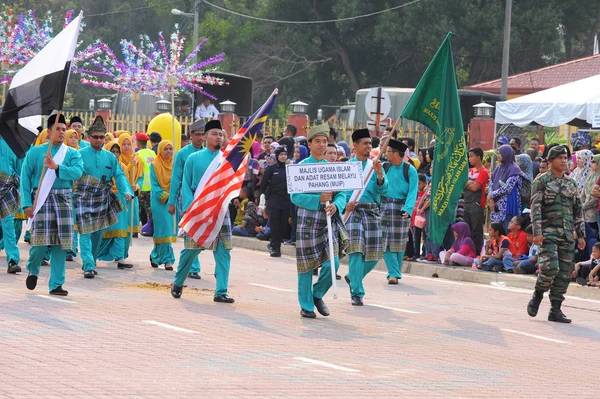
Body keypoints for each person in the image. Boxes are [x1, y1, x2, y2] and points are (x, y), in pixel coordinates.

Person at [171, 121, 234, 303]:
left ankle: (221, 291)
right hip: (198, 211)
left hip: (221, 212)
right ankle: (178, 283)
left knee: (224, 251)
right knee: (191, 251)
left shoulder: (226, 160)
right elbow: (186, 185)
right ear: (205, 137)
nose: (218, 137)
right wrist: (192, 208)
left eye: (221, 134)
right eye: (214, 134)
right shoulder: (193, 159)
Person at [21, 113, 83, 296]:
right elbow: (25, 179)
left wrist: (57, 168)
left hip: (63, 200)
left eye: (64, 129)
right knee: (39, 244)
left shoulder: (72, 153)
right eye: (58, 129)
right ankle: (33, 268)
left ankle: (56, 283)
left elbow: (77, 172)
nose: (62, 133)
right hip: (41, 200)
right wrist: (26, 204)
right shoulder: (35, 152)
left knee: (60, 245)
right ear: (49, 131)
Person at [290, 123, 349, 318]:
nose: (322, 145)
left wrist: (336, 205)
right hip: (307, 220)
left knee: (334, 264)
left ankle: (317, 294)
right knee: (306, 265)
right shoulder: (300, 168)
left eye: (325, 142)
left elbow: (342, 193)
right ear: (309, 143)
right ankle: (306, 305)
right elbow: (295, 197)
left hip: (328, 221)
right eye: (318, 142)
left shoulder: (332, 168)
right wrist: (318, 199)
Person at [527, 145, 585, 324]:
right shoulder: (541, 181)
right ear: (550, 161)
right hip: (547, 233)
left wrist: (580, 234)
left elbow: (577, 210)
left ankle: (555, 309)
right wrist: (537, 232)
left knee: (565, 273)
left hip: (567, 234)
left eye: (565, 157)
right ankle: (538, 294)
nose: (564, 160)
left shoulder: (571, 183)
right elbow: (535, 207)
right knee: (550, 268)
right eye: (559, 157)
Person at [74, 117, 133, 278]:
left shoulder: (110, 157)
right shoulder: (79, 154)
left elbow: (119, 175)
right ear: (88, 137)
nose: (99, 140)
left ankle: (91, 262)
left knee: (97, 233)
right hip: (84, 198)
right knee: (85, 231)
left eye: (101, 137)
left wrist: (126, 190)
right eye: (95, 137)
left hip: (102, 198)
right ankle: (87, 265)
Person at [343, 129, 387, 306]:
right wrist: (345, 204)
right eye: (365, 143)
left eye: (370, 143)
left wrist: (379, 175)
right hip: (353, 212)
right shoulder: (347, 166)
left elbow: (385, 190)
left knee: (375, 254)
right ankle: (357, 292)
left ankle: (352, 277)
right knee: (356, 250)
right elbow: (341, 190)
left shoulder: (375, 165)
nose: (369, 146)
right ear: (355, 146)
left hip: (371, 212)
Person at [167, 119, 205, 279]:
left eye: (203, 134)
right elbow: (176, 177)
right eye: (197, 135)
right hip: (187, 196)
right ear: (191, 135)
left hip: (205, 198)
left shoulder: (209, 153)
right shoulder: (183, 154)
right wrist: (171, 200)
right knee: (190, 230)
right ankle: (193, 266)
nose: (200, 138)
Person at [381, 139, 418, 284]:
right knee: (386, 241)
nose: (386, 154)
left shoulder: (410, 170)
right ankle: (393, 273)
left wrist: (408, 209)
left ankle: (394, 272)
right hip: (385, 206)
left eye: (389, 151)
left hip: (401, 208)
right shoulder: (384, 167)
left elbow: (412, 191)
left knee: (400, 242)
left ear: (396, 154)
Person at [149, 140, 176, 270]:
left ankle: (159, 256)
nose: (169, 151)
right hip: (158, 200)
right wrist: (165, 195)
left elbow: (177, 182)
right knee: (161, 229)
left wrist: (173, 196)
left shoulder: (175, 165)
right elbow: (154, 185)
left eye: (171, 149)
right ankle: (165, 259)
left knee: (168, 229)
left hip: (171, 201)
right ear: (160, 150)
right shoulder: (154, 165)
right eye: (166, 149)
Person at [261, 146, 291, 257]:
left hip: (285, 201)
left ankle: (274, 244)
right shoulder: (271, 169)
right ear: (277, 155)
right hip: (273, 201)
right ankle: (275, 248)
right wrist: (265, 201)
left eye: (285, 154)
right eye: (281, 154)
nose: (283, 157)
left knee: (283, 225)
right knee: (275, 225)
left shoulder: (289, 168)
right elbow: (263, 185)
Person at [0, 134, 23, 273]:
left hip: (7, 187)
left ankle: (13, 260)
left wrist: (17, 181)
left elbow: (20, 167)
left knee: (8, 225)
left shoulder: (15, 144)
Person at [118, 133, 145, 248]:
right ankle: (119, 252)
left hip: (133, 196)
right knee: (121, 223)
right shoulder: (118, 159)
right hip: (122, 194)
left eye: (129, 144)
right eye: (123, 144)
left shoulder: (137, 159)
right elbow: (121, 174)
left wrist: (137, 186)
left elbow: (141, 178)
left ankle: (125, 251)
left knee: (130, 223)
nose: (126, 146)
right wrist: (129, 166)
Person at [488, 145, 523, 231]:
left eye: (500, 153)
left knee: (507, 230)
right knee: (497, 231)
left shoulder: (514, 169)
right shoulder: (499, 168)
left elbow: (508, 187)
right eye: (498, 153)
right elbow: (491, 183)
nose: (498, 155)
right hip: (496, 205)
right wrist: (491, 198)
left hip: (507, 205)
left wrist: (492, 194)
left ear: (506, 154)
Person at [463, 148, 489, 255]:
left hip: (477, 204)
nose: (469, 159)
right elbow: (462, 184)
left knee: (476, 230)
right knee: (467, 229)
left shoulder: (484, 172)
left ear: (478, 157)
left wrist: (467, 184)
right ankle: (467, 250)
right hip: (467, 203)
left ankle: (477, 253)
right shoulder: (469, 171)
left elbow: (475, 188)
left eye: (472, 156)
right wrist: (469, 183)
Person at [582, 154, 600, 231]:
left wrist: (584, 206)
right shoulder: (591, 175)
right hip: (584, 211)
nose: (591, 164)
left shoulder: (598, 176)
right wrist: (581, 204)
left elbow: (595, 198)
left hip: (593, 212)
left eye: (594, 162)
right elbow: (585, 192)